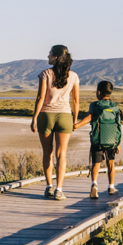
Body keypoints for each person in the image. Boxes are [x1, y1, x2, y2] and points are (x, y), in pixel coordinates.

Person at [31, 45, 79, 200]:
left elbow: (40, 98)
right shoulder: (74, 76)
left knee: (47, 153)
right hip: (65, 116)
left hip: (46, 116)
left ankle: (48, 187)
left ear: (56, 57)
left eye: (50, 54)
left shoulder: (45, 74)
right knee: (61, 154)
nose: (48, 56)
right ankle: (59, 189)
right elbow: (76, 101)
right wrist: (75, 120)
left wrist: (34, 119)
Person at [74, 80, 121, 199]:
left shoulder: (94, 105)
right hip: (112, 140)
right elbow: (118, 125)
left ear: (99, 92)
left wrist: (77, 125)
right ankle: (111, 187)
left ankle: (94, 184)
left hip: (97, 139)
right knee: (111, 163)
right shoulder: (115, 107)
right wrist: (118, 143)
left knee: (96, 164)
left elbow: (89, 117)